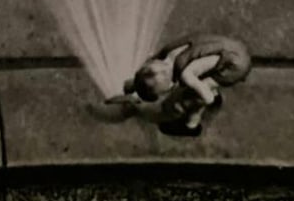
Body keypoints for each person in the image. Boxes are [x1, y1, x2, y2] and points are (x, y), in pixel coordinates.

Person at [106, 33, 251, 135]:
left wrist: (208, 94)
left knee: (195, 94)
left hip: (235, 66)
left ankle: (190, 125)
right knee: (193, 87)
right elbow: (151, 70)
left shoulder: (186, 75)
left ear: (170, 86)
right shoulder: (168, 53)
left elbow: (207, 98)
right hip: (232, 45)